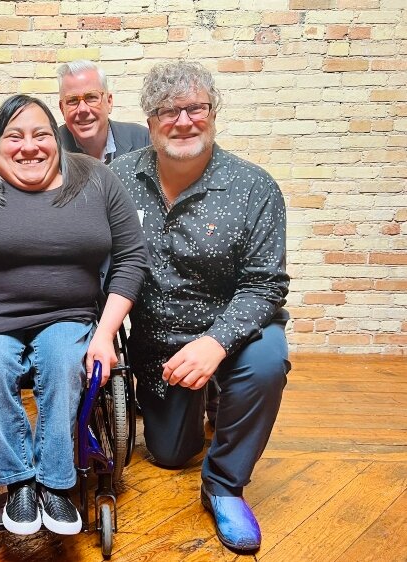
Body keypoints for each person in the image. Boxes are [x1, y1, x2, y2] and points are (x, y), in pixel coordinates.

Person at [0, 95, 148, 536]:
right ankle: (17, 482)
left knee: (60, 361)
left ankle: (55, 483)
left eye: (40, 135)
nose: (29, 147)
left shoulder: (96, 179)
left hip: (69, 315)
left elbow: (132, 257)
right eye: (14, 136)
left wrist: (105, 334)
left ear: (56, 139)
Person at [110, 61, 290, 553]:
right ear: (149, 121)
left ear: (213, 113)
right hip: (157, 343)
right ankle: (200, 408)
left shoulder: (254, 187)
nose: (184, 120)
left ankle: (226, 485)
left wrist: (214, 343)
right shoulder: (117, 180)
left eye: (196, 108)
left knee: (268, 362)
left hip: (233, 330)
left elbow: (264, 285)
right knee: (170, 455)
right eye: (169, 110)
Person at [57, 60, 151, 163]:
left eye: (91, 97)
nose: (83, 109)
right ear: (62, 109)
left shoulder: (142, 139)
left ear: (109, 102)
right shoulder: (52, 149)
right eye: (73, 100)